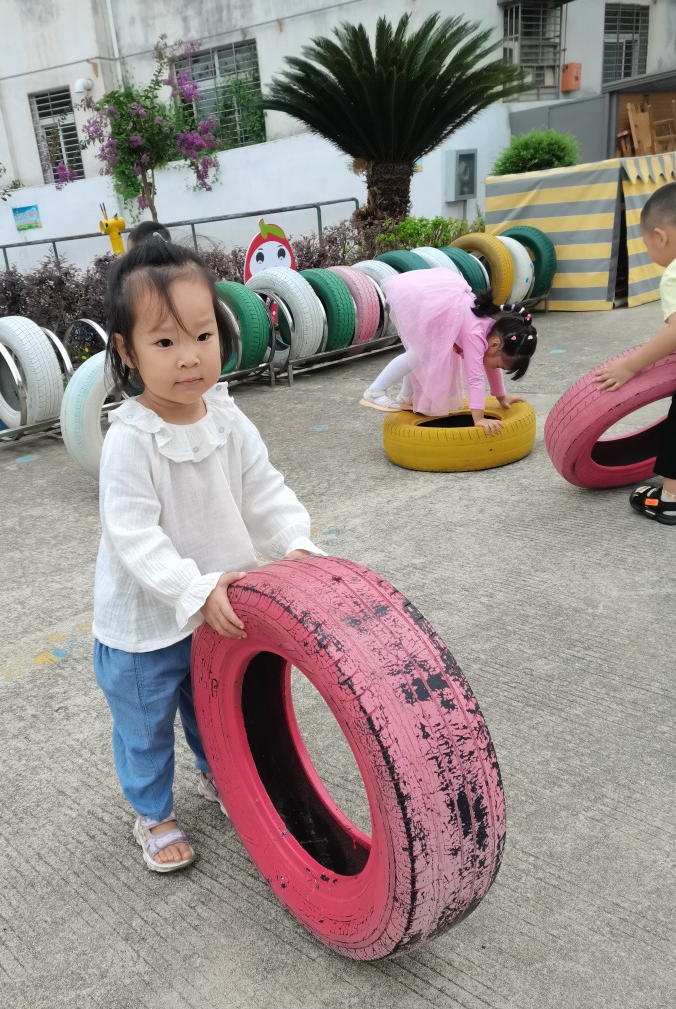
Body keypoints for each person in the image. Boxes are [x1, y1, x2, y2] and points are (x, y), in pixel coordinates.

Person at [93, 236, 322, 873]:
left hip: (220, 607)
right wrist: (192, 589)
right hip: (147, 625)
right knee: (145, 727)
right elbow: (134, 536)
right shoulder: (131, 439)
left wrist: (296, 545)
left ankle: (221, 773)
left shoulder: (226, 417)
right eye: (165, 342)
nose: (189, 357)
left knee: (217, 705)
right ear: (128, 352)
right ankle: (153, 812)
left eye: (202, 335)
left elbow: (263, 492)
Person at [362, 269, 537, 435]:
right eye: (499, 365)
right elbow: (475, 378)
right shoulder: (476, 336)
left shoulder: (491, 332)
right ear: (495, 345)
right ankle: (375, 391)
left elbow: (491, 368)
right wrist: (479, 418)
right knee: (417, 354)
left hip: (437, 306)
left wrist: (501, 397)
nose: (496, 368)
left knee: (423, 355)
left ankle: (406, 396)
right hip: (423, 299)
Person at [595, 182, 676, 525]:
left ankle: (672, 498)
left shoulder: (675, 272)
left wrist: (631, 366)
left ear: (660, 236)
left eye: (646, 245)